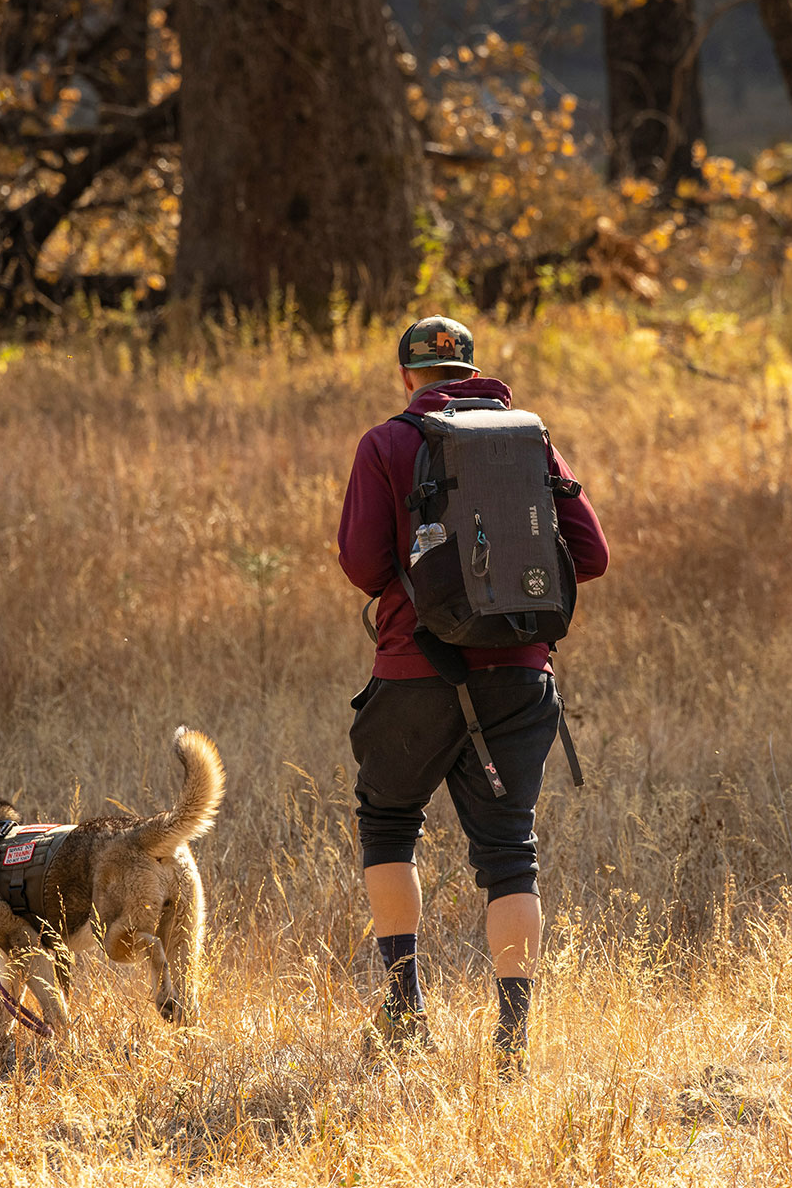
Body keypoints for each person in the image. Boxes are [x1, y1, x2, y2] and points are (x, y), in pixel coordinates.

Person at [336, 315, 609, 1074]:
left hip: (413, 671)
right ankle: (513, 1042)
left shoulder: (387, 443)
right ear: (475, 372)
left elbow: (363, 564)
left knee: (388, 823)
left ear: (407, 376)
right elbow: (591, 554)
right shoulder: (528, 437)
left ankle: (404, 1010)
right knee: (510, 855)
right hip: (521, 675)